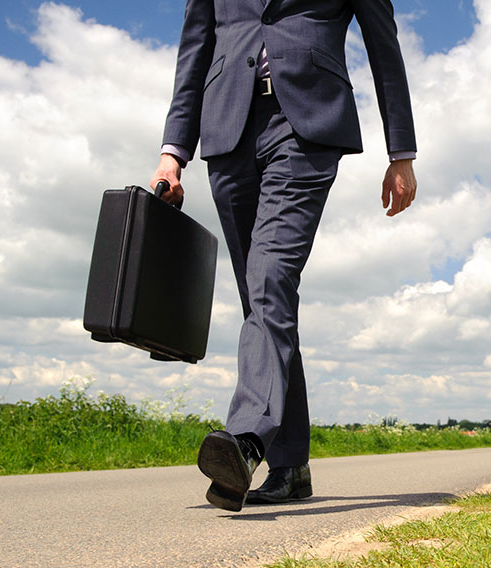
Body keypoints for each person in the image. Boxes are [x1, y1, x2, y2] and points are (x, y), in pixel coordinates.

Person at [150, 0, 417, 512]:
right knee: (261, 300)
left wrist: (400, 153)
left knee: (270, 278)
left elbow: (385, 50)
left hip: (306, 127)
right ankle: (291, 464)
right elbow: (194, 54)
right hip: (228, 131)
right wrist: (172, 153)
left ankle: (247, 440)